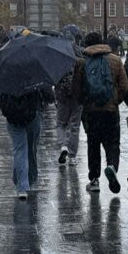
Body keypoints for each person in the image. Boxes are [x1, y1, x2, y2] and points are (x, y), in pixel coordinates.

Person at [72, 31, 128, 194]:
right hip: (111, 111)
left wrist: (84, 102)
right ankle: (112, 165)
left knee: (93, 144)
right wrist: (115, 100)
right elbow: (125, 86)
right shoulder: (116, 60)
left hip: (91, 111)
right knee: (112, 143)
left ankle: (94, 179)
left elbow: (76, 89)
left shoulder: (82, 62)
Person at [0, 84, 54, 200]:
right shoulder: (36, 72)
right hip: (32, 115)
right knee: (31, 148)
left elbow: (0, 100)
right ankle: (28, 180)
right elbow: (50, 96)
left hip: (13, 118)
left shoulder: (6, 73)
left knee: (20, 150)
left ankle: (22, 184)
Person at [55, 35, 83, 166]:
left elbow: (54, 78)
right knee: (75, 126)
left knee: (61, 124)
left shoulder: (58, 58)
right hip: (77, 97)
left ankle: (63, 146)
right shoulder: (80, 58)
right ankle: (72, 155)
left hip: (62, 96)